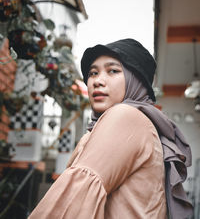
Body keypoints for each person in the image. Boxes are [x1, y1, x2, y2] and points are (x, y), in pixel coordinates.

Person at [28, 38, 193, 219]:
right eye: (92, 73)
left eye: (113, 71)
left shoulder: (125, 116)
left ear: (135, 81)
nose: (97, 81)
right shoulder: (136, 122)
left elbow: (73, 200)